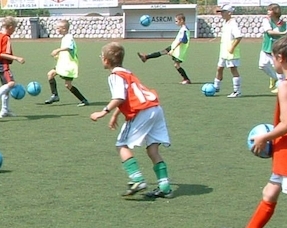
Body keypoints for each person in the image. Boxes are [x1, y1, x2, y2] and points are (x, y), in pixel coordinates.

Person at [221, 35, 287, 228]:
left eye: (272, 57)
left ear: (281, 58)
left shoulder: (286, 86)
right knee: (269, 192)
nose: (272, 62)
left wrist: (264, 137)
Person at [90, 42, 174, 199]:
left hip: (141, 112)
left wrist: (103, 112)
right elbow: (129, 95)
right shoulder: (127, 72)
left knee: (122, 145)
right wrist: (116, 115)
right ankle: (165, 186)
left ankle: (137, 179)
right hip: (155, 109)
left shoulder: (115, 76)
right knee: (152, 150)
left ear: (106, 61)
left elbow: (120, 97)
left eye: (102, 57)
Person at [137, 13, 192, 85]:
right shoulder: (183, 29)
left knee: (176, 65)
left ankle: (187, 79)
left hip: (178, 50)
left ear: (181, 20)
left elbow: (183, 41)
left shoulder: (184, 30)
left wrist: (173, 50)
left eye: (176, 21)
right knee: (162, 52)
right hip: (174, 47)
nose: (175, 23)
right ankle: (145, 57)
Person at [44, 19, 89, 106]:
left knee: (68, 85)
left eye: (59, 28)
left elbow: (69, 47)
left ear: (64, 28)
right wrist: (58, 56)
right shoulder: (65, 38)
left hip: (68, 66)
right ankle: (55, 95)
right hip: (63, 65)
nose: (57, 29)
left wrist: (58, 50)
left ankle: (84, 100)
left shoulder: (69, 37)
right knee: (50, 74)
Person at [213, 4, 244, 98]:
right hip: (223, 51)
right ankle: (216, 87)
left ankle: (237, 91)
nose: (221, 14)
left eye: (223, 12)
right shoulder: (226, 22)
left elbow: (238, 37)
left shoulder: (233, 24)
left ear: (229, 13)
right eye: (221, 12)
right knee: (219, 68)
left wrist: (232, 48)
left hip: (231, 52)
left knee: (233, 69)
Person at [259, 3, 287, 93]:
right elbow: (270, 32)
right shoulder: (266, 20)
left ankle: (281, 86)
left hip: (277, 50)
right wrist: (282, 33)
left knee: (278, 68)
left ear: (275, 12)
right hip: (266, 48)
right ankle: (275, 78)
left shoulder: (284, 24)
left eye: (270, 10)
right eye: (268, 10)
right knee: (262, 65)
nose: (268, 12)